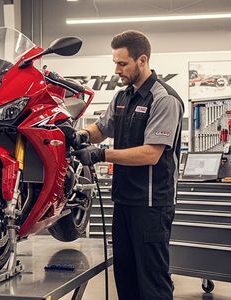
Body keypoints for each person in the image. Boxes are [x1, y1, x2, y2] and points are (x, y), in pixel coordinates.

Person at [69, 30, 183, 300]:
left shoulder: (163, 99)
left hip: (152, 204)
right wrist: (82, 135)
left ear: (141, 60)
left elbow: (150, 154)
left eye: (122, 63)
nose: (116, 70)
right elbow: (102, 127)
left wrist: (101, 155)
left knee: (152, 281)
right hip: (124, 200)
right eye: (115, 62)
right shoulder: (122, 97)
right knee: (126, 277)